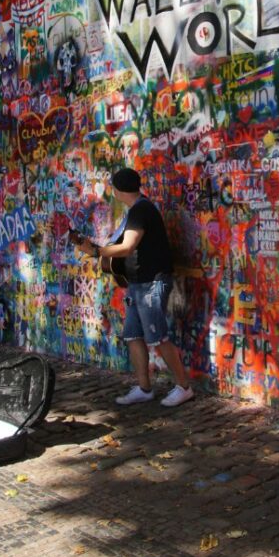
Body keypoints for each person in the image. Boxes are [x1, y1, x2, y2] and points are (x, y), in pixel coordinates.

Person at [77, 168, 194, 407]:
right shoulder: (136, 210)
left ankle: (184, 387)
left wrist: (97, 251)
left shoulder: (141, 210)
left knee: (158, 336)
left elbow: (128, 246)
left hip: (152, 283)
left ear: (118, 190)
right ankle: (144, 388)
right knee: (133, 334)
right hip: (138, 283)